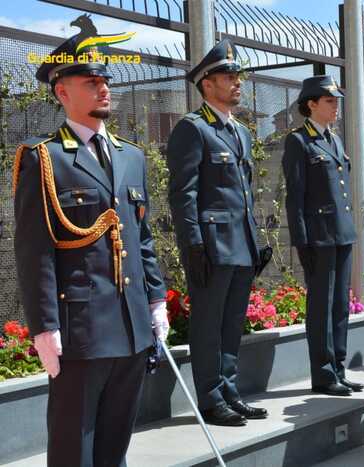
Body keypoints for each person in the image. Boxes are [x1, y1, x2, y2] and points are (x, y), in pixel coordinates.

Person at [14, 34, 168, 466]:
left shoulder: (131, 156)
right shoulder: (44, 159)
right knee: (73, 449)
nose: (104, 88)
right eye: (90, 81)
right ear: (62, 91)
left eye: (105, 79)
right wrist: (44, 327)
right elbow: (34, 250)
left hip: (132, 326)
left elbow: (143, 238)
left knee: (115, 446)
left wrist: (156, 301)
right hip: (79, 330)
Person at [167, 38, 267, 426]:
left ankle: (229, 390)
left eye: (237, 76)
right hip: (211, 247)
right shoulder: (193, 130)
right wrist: (193, 244)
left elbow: (244, 194)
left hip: (240, 244)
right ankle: (209, 398)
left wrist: (256, 240)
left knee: (231, 324)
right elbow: (183, 194)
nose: (237, 82)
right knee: (208, 325)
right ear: (207, 84)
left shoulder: (240, 132)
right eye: (229, 76)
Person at [282, 75, 363, 397]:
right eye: (330, 101)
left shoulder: (334, 140)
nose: (336, 106)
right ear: (311, 104)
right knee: (321, 307)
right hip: (318, 236)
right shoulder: (298, 141)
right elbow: (296, 195)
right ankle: (324, 373)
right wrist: (302, 241)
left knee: (341, 305)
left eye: (336, 101)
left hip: (341, 233)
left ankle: (339, 369)